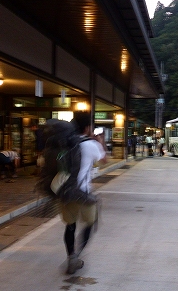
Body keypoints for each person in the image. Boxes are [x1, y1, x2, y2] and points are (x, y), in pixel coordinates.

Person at [62, 112, 107, 274]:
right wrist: (100, 141)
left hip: (65, 191)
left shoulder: (66, 142)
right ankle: (76, 256)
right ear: (88, 128)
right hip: (83, 192)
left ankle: (71, 256)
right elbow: (104, 160)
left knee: (70, 225)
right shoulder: (91, 145)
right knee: (90, 221)